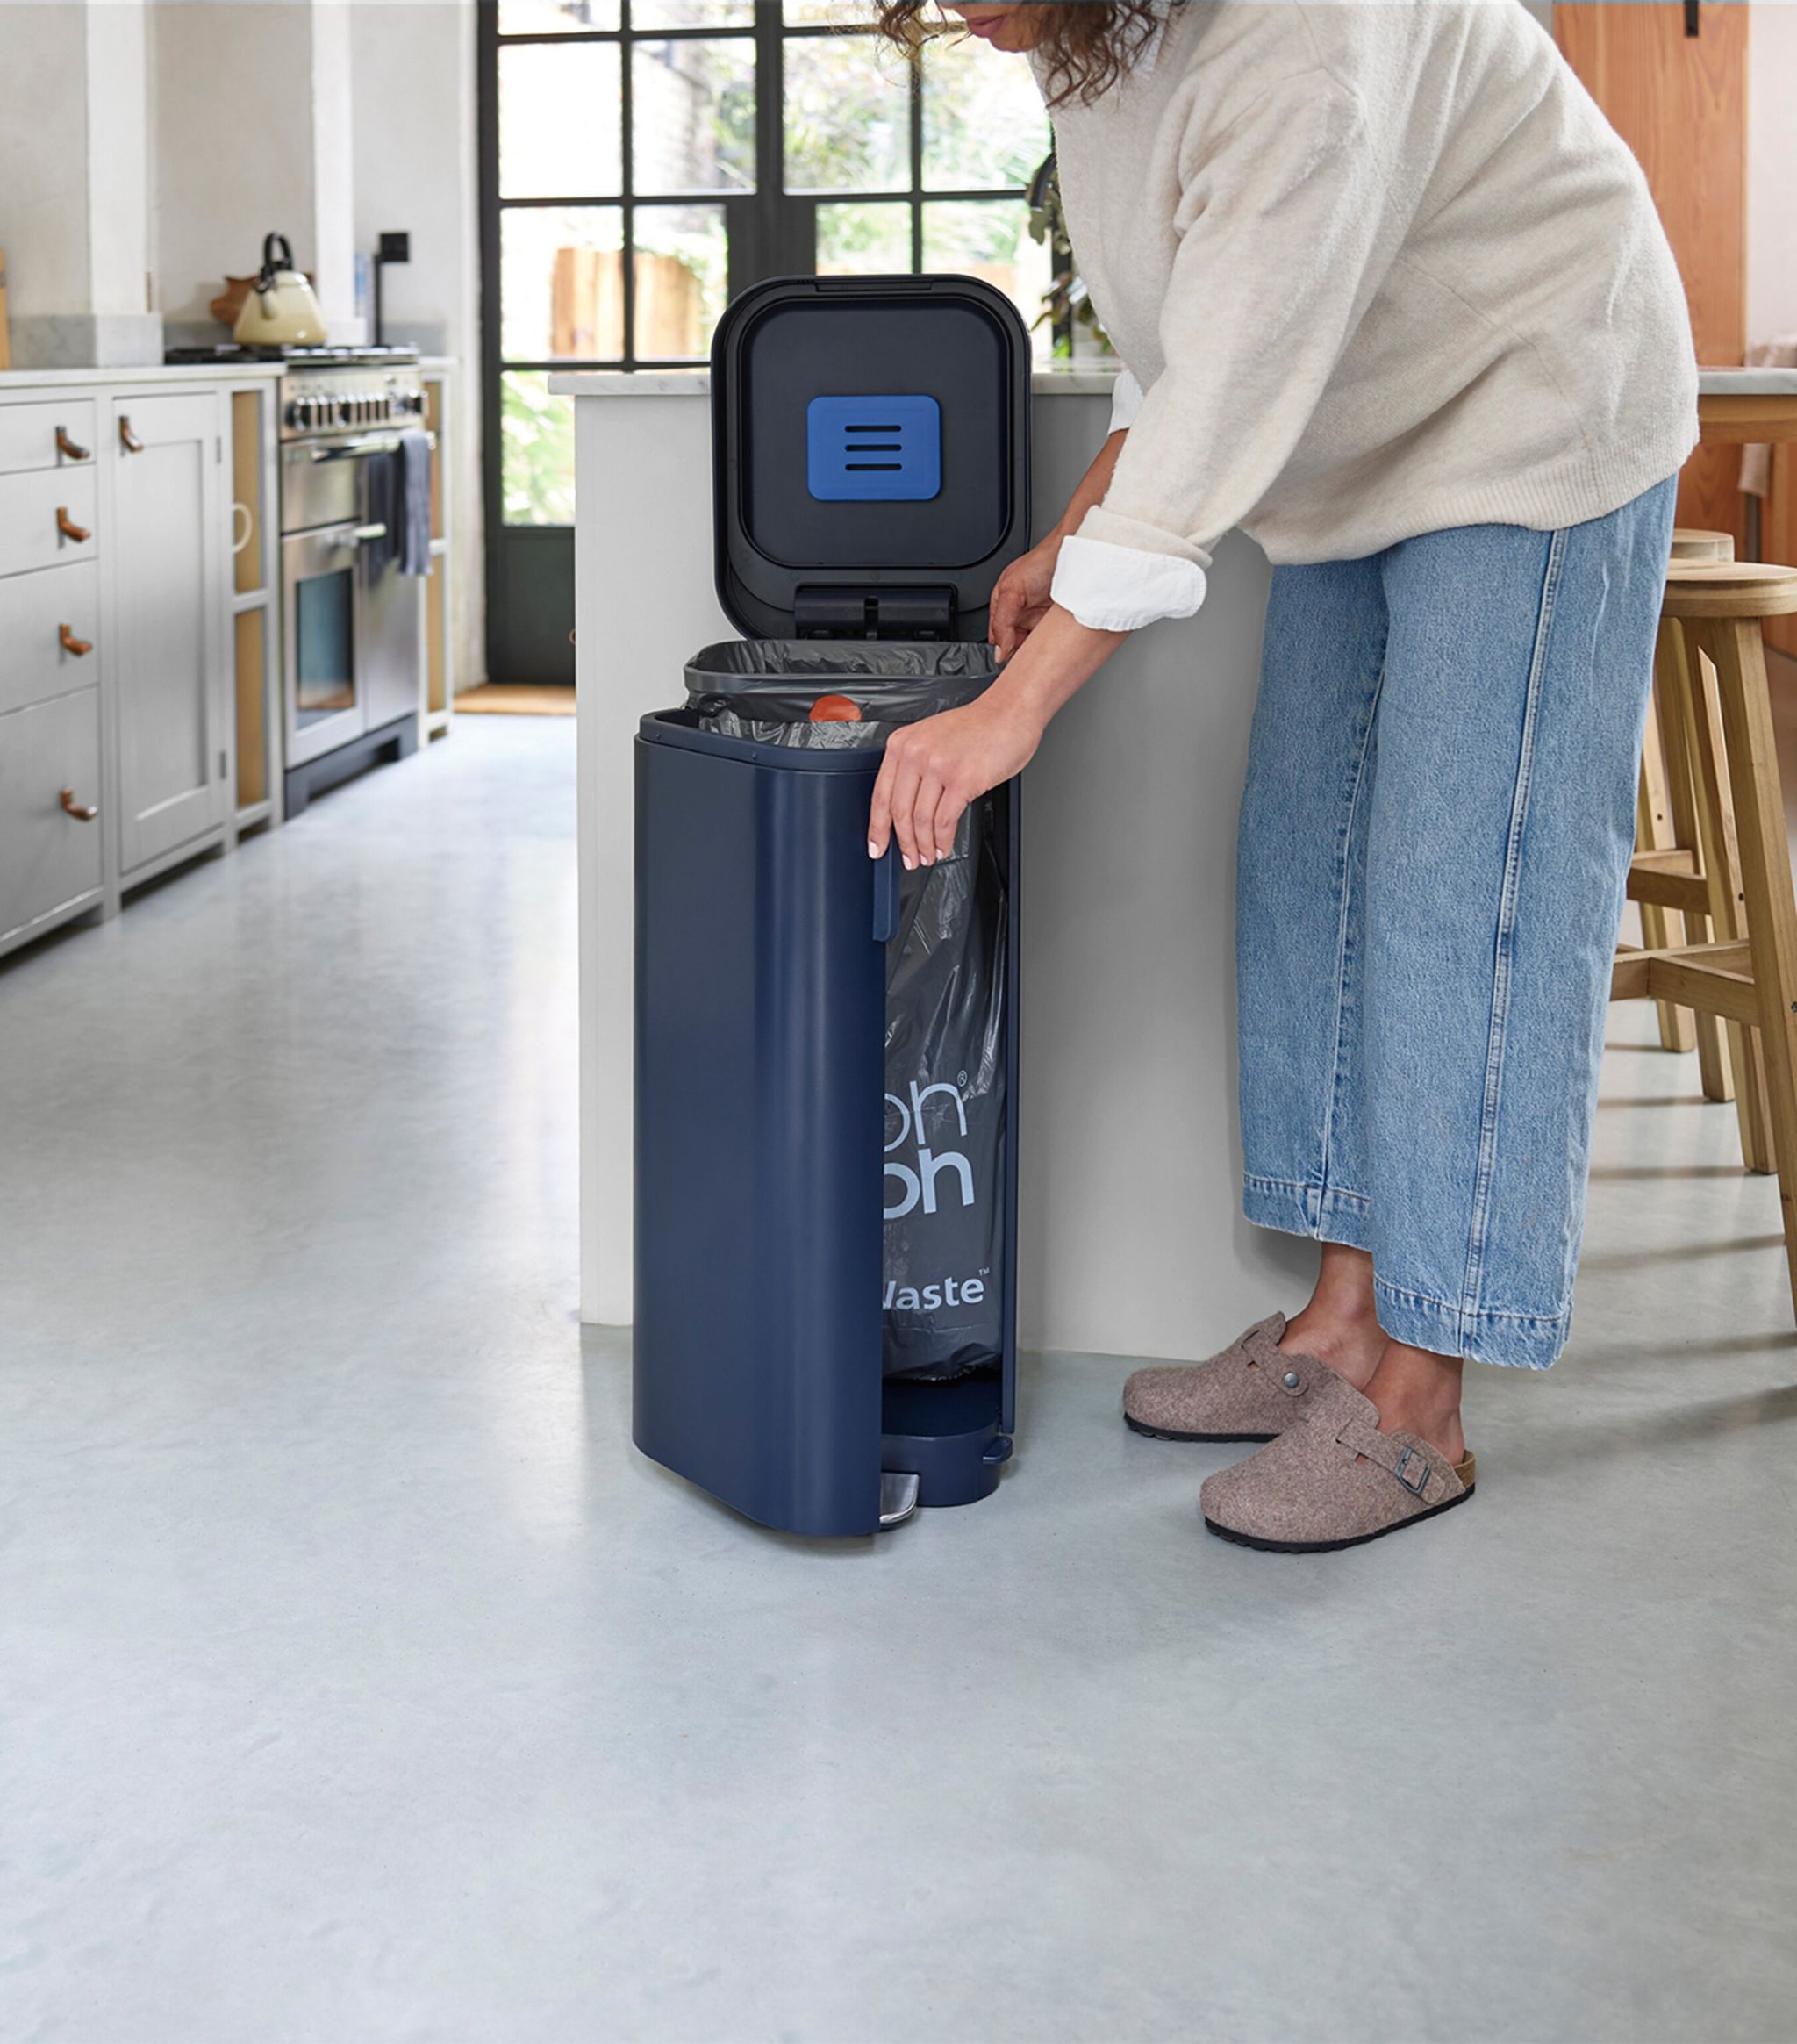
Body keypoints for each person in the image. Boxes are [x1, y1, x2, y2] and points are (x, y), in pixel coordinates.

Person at [863, 0, 1699, 1550]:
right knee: (1303, 863)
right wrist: (1076, 531)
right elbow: (1190, 329)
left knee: (1464, 896)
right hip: (1360, 445)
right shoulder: (1090, 35)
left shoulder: (1305, 28)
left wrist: (1015, 710)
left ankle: (1420, 1403)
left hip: (1532, 405)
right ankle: (1336, 1326)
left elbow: (1238, 368)